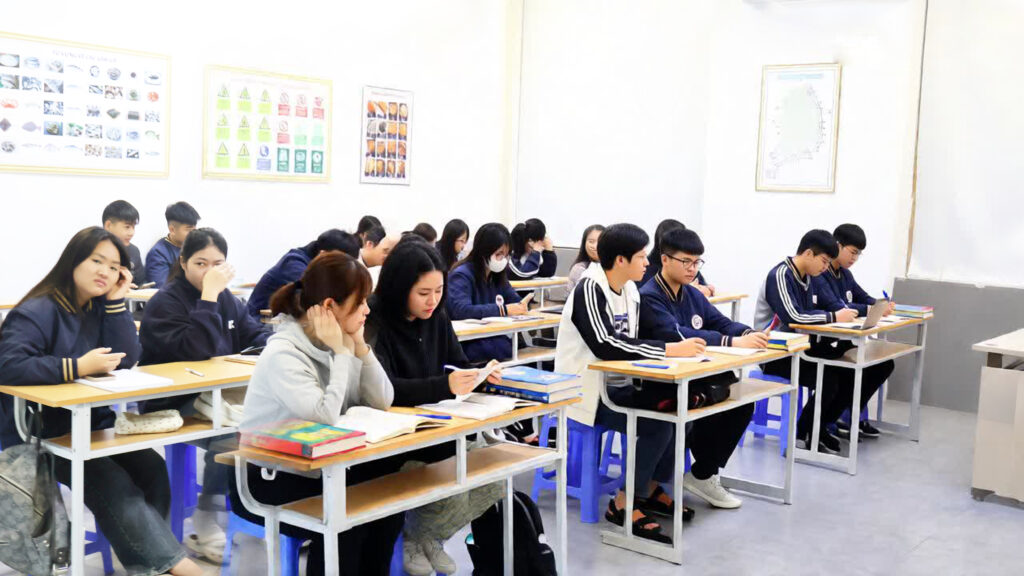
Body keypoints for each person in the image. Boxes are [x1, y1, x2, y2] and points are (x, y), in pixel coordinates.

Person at [0, 227, 212, 576]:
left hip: (90, 423)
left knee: (152, 469)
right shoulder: (38, 310)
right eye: (97, 261)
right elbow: (8, 365)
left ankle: (149, 568)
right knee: (112, 484)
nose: (105, 272)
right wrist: (76, 367)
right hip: (40, 433)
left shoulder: (98, 307)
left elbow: (126, 358)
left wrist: (116, 303)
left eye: (114, 267)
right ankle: (178, 567)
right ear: (73, 261)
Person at [235, 251, 399, 576]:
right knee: (347, 516)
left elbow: (383, 400)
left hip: (322, 463)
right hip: (271, 474)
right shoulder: (283, 353)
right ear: (329, 306)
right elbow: (323, 417)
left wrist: (359, 347)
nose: (367, 310)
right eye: (359, 302)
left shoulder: (340, 341)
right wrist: (341, 353)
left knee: (387, 505)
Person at [555, 223, 708, 543]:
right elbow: (606, 345)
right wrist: (668, 349)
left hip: (619, 386)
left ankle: (648, 488)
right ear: (620, 260)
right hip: (586, 393)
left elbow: (634, 342)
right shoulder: (589, 288)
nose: (647, 263)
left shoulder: (630, 291)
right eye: (641, 257)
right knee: (659, 425)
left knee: (682, 411)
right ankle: (623, 502)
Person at [365, 240, 503, 576]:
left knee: (495, 476)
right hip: (395, 442)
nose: (433, 301)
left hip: (438, 429)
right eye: (423, 293)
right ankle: (420, 537)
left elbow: (457, 364)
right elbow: (385, 390)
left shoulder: (437, 316)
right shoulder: (374, 319)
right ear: (400, 288)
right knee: (453, 488)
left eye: (439, 291)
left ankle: (422, 536)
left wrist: (481, 375)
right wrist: (445, 386)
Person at [139, 228, 271, 563]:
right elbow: (197, 351)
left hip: (218, 395)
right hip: (172, 401)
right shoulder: (165, 302)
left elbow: (255, 334)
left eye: (217, 264)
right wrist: (209, 295)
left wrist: (276, 344)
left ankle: (257, 512)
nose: (210, 272)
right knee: (231, 432)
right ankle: (207, 518)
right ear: (183, 262)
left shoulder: (227, 300)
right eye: (201, 263)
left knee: (266, 420)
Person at [638, 228, 768, 509]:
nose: (692, 268)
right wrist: (732, 341)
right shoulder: (649, 295)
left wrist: (748, 333)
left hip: (694, 375)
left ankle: (702, 473)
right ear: (665, 259)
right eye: (686, 261)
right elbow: (675, 333)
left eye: (697, 262)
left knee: (739, 403)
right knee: (712, 406)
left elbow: (719, 322)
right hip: (661, 381)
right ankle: (694, 475)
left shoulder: (691, 294)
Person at [754, 230, 891, 454]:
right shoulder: (780, 275)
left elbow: (829, 305)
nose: (826, 267)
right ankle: (802, 434)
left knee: (847, 371)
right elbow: (794, 316)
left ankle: (820, 427)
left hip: (802, 347)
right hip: (775, 353)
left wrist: (846, 312)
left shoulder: (810, 277)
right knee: (829, 378)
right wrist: (834, 316)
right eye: (824, 261)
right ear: (809, 253)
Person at [811, 223, 895, 439]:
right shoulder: (820, 274)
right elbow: (837, 306)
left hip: (843, 339)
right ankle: (830, 419)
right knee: (847, 371)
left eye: (859, 254)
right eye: (853, 252)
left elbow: (863, 297)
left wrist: (881, 305)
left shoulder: (845, 274)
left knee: (883, 364)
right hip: (824, 341)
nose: (855, 258)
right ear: (837, 245)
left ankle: (846, 414)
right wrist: (869, 309)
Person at [446, 223, 527, 363]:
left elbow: (513, 299)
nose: (503, 260)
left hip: (491, 336)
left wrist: (521, 305)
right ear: (483, 251)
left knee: (515, 349)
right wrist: (502, 310)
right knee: (500, 350)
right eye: (499, 254)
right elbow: (461, 310)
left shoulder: (497, 275)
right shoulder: (462, 275)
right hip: (469, 341)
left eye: (506, 255)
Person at [246, 229, 360, 319]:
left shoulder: (313, 263)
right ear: (323, 254)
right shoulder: (294, 265)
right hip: (259, 325)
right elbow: (319, 296)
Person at [642, 219, 715, 297]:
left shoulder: (690, 266)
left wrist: (707, 290)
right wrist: (691, 291)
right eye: (685, 261)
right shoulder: (645, 269)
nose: (692, 268)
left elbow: (705, 289)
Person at [146, 201, 200, 288]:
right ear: (172, 230)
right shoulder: (158, 253)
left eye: (194, 229)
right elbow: (161, 288)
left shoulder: (196, 247)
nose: (193, 233)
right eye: (189, 229)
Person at [102, 199, 146, 285]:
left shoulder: (134, 251)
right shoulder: (94, 249)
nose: (132, 233)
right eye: (127, 227)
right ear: (108, 226)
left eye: (133, 227)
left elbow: (140, 282)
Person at [566, 224, 604, 293]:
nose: (595, 246)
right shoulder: (580, 268)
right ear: (584, 243)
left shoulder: (611, 267)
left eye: (600, 241)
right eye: (591, 241)